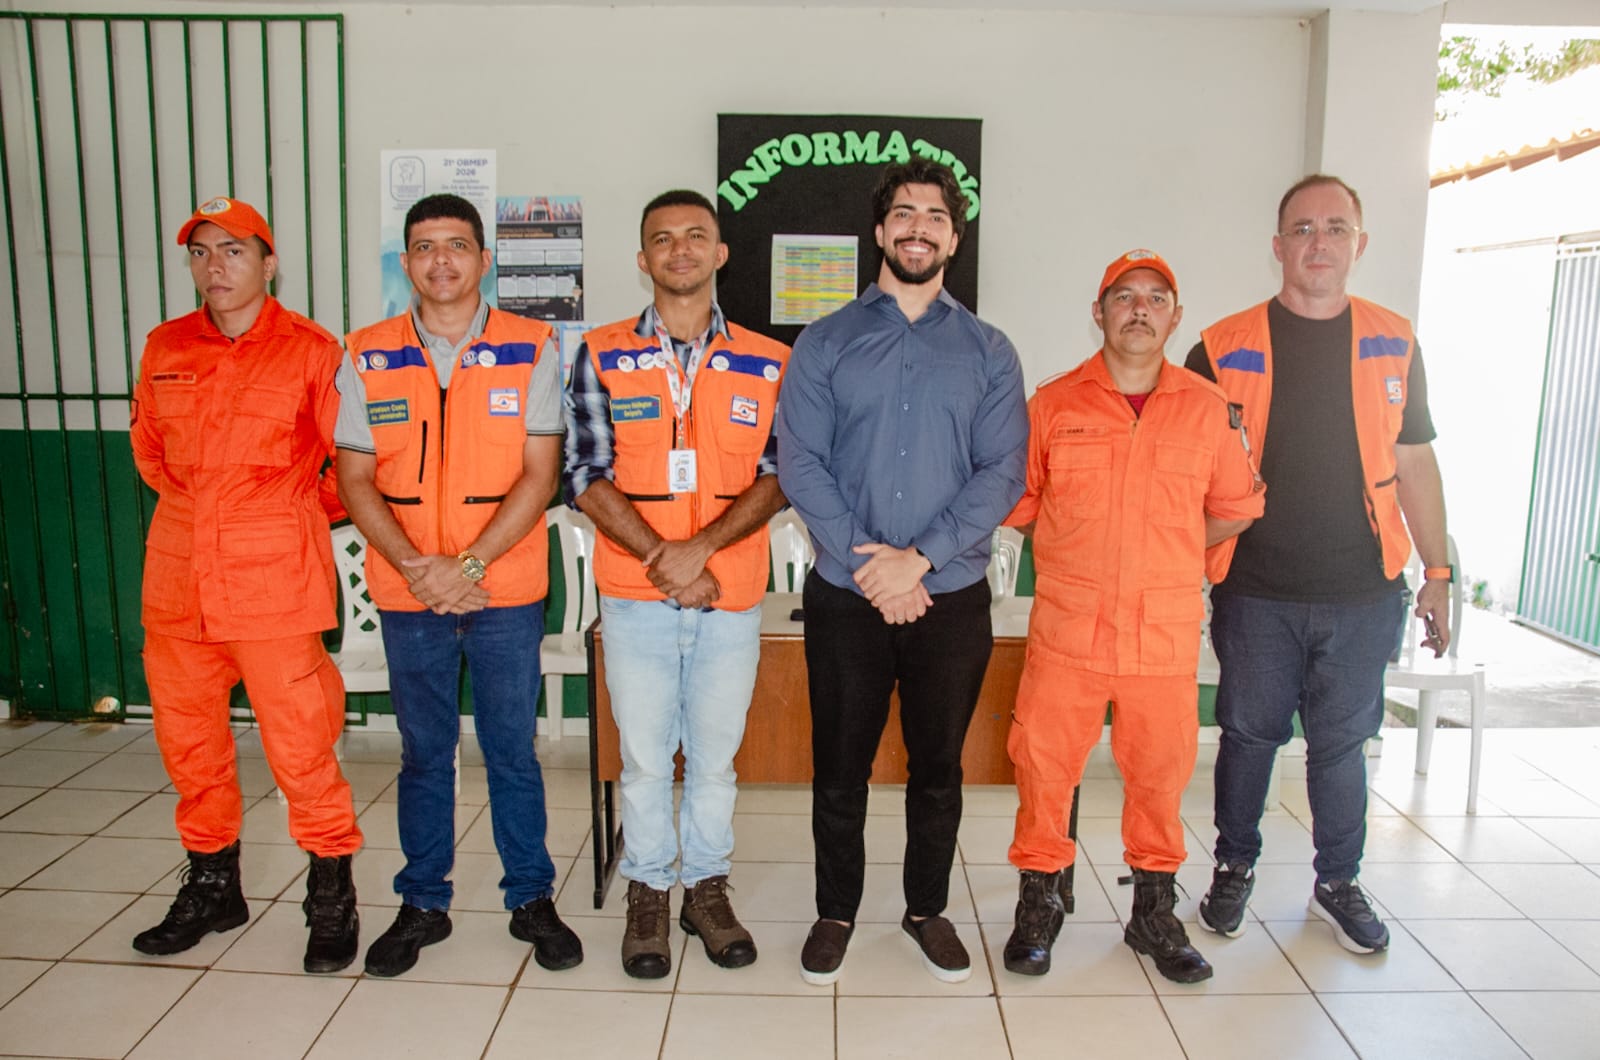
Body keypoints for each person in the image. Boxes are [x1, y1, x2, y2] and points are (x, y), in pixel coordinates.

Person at [777, 159, 1028, 985]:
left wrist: (917, 560)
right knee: (839, 767)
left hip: (948, 596)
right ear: (881, 231)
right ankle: (835, 911)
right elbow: (801, 463)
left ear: (954, 239)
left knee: (940, 769)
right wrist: (872, 564)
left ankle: (926, 909)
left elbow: (1001, 472)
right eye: (905, 214)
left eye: (936, 217)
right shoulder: (825, 342)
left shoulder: (989, 352)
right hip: (847, 595)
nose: (919, 228)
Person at [1188, 174, 1451, 955]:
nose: (1319, 243)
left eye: (1336, 228)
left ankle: (1339, 883)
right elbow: (1184, 471)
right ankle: (1232, 869)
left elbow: (1416, 462)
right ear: (1278, 246)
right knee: (1248, 736)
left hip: (1363, 592)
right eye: (1303, 229)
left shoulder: (1395, 341)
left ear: (1359, 244)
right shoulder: (1221, 346)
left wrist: (1437, 573)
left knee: (1342, 747)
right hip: (1255, 591)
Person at [336, 193, 582, 978]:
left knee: (512, 750)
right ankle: (422, 902)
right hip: (410, 593)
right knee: (423, 753)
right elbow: (354, 478)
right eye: (423, 246)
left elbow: (540, 475)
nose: (440, 260)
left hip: (503, 591)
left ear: (484, 259)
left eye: (456, 245)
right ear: (406, 263)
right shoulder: (366, 353)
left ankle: (531, 898)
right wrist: (422, 569)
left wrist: (466, 566)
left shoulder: (531, 346)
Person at [1000, 250, 1263, 983]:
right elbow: (1022, 502)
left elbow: (1237, 506)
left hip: (1161, 634)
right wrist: (1079, 548)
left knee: (1160, 776)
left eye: (1156, 298)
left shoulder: (1208, 409)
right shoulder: (1054, 406)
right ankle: (1039, 904)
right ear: (1100, 312)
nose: (1139, 309)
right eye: (1124, 296)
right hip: (1070, 629)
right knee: (1043, 768)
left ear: (1175, 318)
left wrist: (1169, 549)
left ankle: (1153, 914)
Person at [130, 196, 362, 973]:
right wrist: (208, 514)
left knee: (302, 749)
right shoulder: (165, 346)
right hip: (178, 586)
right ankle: (212, 887)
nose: (215, 267)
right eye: (201, 252)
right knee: (191, 750)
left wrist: (281, 511)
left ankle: (330, 894)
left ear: (269, 263)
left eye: (233, 250)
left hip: (274, 589)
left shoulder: (311, 351)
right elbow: (150, 453)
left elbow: (349, 467)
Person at [565, 190, 789, 979]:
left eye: (696, 236)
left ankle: (707, 889)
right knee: (646, 760)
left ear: (720, 253)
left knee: (717, 760)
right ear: (643, 258)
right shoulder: (599, 352)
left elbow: (780, 474)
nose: (680, 249)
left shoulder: (769, 359)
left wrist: (702, 552)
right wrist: (666, 558)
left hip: (730, 591)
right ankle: (650, 892)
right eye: (663, 239)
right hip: (636, 595)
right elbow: (584, 474)